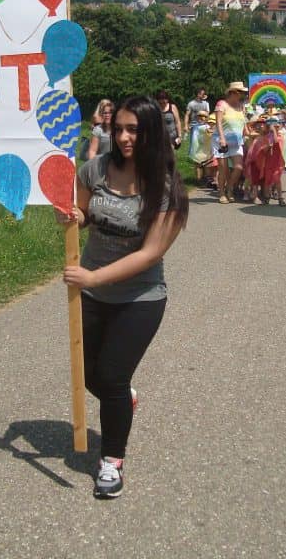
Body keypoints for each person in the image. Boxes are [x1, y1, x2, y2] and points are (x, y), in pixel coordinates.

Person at [57, 95, 189, 499]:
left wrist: (93, 277)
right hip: (93, 291)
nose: (124, 137)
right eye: (119, 129)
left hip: (140, 297)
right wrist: (74, 217)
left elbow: (150, 253)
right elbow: (81, 213)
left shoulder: (166, 189)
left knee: (111, 377)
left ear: (151, 132)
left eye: (134, 129)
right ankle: (124, 399)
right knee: (89, 373)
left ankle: (112, 461)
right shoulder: (95, 168)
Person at [215, 82, 248, 204]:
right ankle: (222, 193)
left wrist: (246, 133)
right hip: (221, 141)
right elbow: (218, 122)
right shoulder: (221, 104)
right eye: (241, 92)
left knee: (238, 167)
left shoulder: (241, 105)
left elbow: (242, 122)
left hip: (237, 141)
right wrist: (222, 138)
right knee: (223, 169)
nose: (243, 95)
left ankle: (229, 188)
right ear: (233, 92)